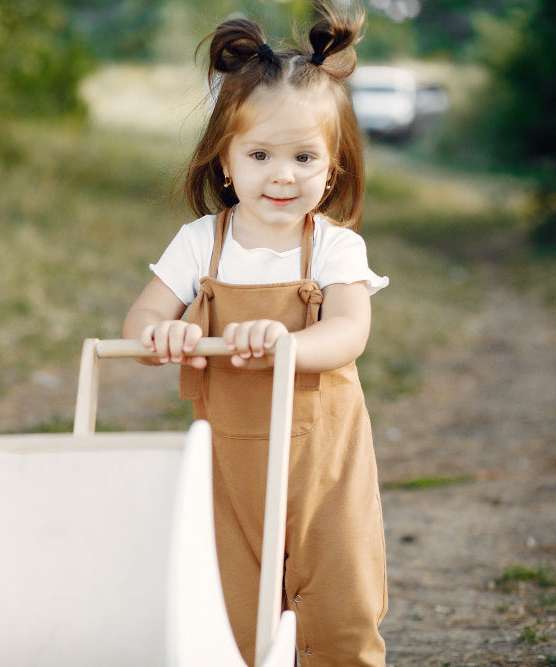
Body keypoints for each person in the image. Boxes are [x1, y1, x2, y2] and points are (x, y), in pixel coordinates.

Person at [122, 4, 388, 666]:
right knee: (232, 613)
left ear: (333, 167)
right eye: (261, 154)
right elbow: (141, 320)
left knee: (341, 605)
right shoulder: (199, 245)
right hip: (229, 467)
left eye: (304, 156)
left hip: (324, 463)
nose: (283, 175)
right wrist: (167, 336)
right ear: (226, 158)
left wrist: (288, 345)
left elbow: (350, 330)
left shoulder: (331, 247)